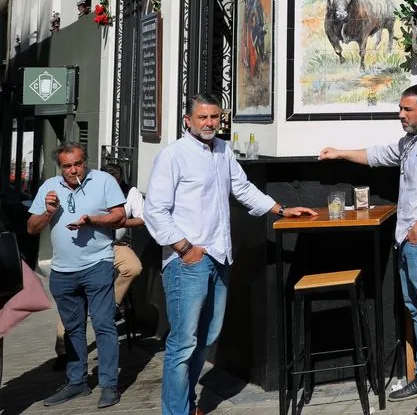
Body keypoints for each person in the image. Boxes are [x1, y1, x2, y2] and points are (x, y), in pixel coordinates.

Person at [144, 94, 317, 415]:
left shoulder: (222, 151)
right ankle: (175, 412)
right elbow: (155, 210)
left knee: (206, 336)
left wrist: (281, 209)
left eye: (215, 117)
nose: (210, 123)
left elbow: (242, 187)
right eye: (203, 118)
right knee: (182, 343)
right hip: (187, 262)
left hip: (219, 258)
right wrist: (184, 248)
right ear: (188, 120)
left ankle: (186, 404)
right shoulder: (173, 156)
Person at [320, 84, 417, 412]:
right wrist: (339, 152)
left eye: (407, 109)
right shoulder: (410, 142)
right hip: (409, 240)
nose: (401, 115)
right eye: (400, 109)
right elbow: (377, 155)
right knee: (416, 309)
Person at [27, 143, 126, 408]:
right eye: (67, 166)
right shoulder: (49, 188)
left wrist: (93, 220)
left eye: (78, 164)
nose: (74, 170)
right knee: (72, 329)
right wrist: (48, 213)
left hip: (98, 264)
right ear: (60, 168)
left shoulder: (103, 181)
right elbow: (31, 228)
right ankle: (77, 382)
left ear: (86, 162)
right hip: (62, 270)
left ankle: (108, 385)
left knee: (104, 324)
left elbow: (120, 215)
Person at [102, 163, 144, 308]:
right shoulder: (91, 191)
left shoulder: (130, 192)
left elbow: (142, 219)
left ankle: (108, 305)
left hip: (116, 244)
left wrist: (123, 223)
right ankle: (65, 327)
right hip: (92, 243)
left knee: (133, 268)